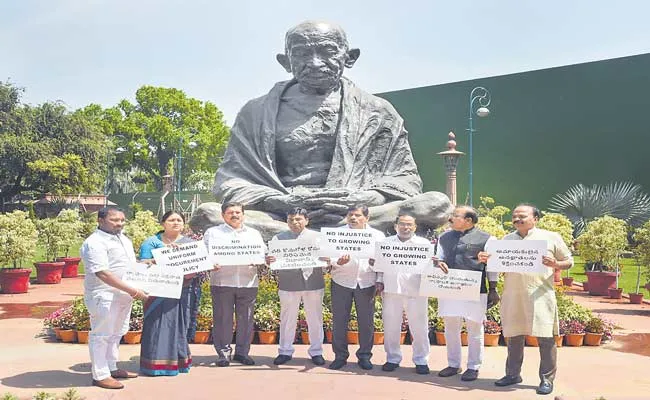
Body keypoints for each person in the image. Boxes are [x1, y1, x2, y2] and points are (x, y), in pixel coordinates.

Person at [212, 20, 451, 232]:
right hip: (283, 211)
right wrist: (280, 201)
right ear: (286, 61)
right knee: (209, 214)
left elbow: (406, 179)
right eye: (302, 54)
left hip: (354, 210)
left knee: (434, 205)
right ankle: (313, 232)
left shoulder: (377, 111)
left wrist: (363, 199)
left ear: (349, 57)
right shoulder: (255, 113)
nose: (315, 63)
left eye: (327, 51)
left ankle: (305, 234)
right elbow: (230, 181)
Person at [480, 204, 573, 396]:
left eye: (522, 216)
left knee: (546, 338)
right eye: (514, 216)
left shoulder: (550, 237)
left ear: (535, 218)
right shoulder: (506, 240)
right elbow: (496, 263)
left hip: (540, 295)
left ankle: (547, 379)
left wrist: (556, 264)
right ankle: (512, 374)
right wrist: (486, 258)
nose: (517, 219)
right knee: (514, 336)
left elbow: (569, 261)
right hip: (513, 294)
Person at [80, 207, 148, 390]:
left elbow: (127, 265)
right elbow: (103, 274)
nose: (119, 223)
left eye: (122, 220)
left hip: (123, 295)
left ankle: (111, 367)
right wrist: (134, 291)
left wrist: (149, 264)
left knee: (116, 333)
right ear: (100, 220)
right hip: (104, 295)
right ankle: (100, 375)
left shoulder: (123, 239)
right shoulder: (94, 243)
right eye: (115, 220)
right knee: (101, 335)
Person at [434, 206, 499, 381]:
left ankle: (473, 366)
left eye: (455, 216)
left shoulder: (487, 238)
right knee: (450, 327)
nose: (451, 219)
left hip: (475, 289)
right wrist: (437, 263)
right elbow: (437, 258)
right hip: (449, 287)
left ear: (468, 220)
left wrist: (493, 288)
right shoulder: (444, 237)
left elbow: (493, 266)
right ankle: (454, 364)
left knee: (474, 327)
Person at [204, 202, 266, 367]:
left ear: (243, 215)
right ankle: (223, 354)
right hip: (222, 281)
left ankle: (242, 353)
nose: (234, 215)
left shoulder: (254, 234)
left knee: (246, 319)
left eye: (238, 212)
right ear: (223, 215)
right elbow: (204, 255)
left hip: (248, 282)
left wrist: (259, 261)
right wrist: (211, 263)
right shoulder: (213, 233)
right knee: (222, 319)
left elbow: (262, 254)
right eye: (230, 212)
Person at [138, 211, 199, 376]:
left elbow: (197, 265)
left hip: (183, 290)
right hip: (157, 292)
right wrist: (163, 257)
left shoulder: (190, 243)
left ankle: (178, 362)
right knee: (157, 326)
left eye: (179, 220)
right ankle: (153, 365)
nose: (176, 223)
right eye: (171, 220)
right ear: (163, 223)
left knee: (180, 326)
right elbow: (143, 264)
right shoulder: (151, 243)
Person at [265, 207, 326, 366]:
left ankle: (316, 351)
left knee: (315, 319)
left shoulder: (318, 237)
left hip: (313, 282)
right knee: (287, 319)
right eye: (291, 219)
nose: (294, 222)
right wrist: (269, 259)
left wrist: (328, 258)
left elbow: (328, 258)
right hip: (288, 283)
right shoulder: (279, 238)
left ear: (306, 220)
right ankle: (285, 351)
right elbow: (272, 259)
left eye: (298, 219)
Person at [328, 205, 385, 370]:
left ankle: (365, 356)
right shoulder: (337, 233)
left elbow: (382, 261)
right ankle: (340, 356)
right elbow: (328, 256)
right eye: (350, 215)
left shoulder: (377, 236)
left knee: (366, 321)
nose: (353, 218)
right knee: (339, 320)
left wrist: (379, 278)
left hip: (366, 282)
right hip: (342, 281)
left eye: (357, 215)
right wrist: (336, 261)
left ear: (366, 218)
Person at [378, 214, 431, 375]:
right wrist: (379, 281)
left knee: (419, 327)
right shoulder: (385, 244)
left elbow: (429, 269)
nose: (405, 227)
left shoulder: (424, 244)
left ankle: (421, 360)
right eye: (402, 224)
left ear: (415, 227)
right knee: (391, 326)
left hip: (417, 290)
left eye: (409, 225)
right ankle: (393, 358)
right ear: (395, 226)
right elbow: (380, 266)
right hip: (391, 289)